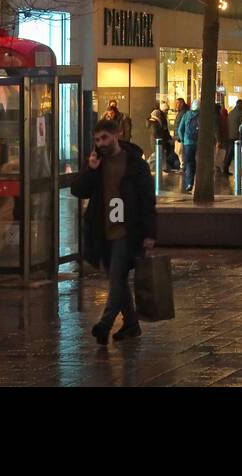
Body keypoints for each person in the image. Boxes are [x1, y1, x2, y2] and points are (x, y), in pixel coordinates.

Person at [72, 118, 156, 345]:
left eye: (105, 138)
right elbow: (78, 190)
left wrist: (149, 233)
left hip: (127, 230)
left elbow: (148, 200)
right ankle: (131, 324)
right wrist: (90, 170)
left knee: (116, 277)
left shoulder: (135, 164)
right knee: (116, 278)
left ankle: (105, 324)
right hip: (102, 229)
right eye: (97, 139)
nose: (101, 143)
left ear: (117, 135)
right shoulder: (95, 163)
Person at [176, 98, 199, 192]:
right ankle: (200, 183)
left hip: (188, 143)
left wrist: (183, 140)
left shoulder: (186, 114)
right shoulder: (202, 115)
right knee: (200, 163)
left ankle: (189, 183)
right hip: (199, 143)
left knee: (189, 163)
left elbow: (180, 130)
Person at [148, 106, 173, 171]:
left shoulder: (155, 121)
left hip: (156, 141)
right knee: (156, 155)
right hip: (157, 141)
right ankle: (148, 164)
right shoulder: (155, 122)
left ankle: (164, 168)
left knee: (159, 154)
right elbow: (157, 133)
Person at [225, 100, 242, 176]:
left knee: (229, 152)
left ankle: (225, 168)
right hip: (236, 135)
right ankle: (227, 168)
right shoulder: (241, 113)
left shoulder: (231, 112)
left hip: (230, 135)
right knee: (234, 153)